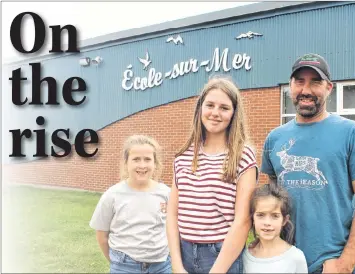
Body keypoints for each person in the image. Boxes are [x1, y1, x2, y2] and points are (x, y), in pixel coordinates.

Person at [261, 53, 355, 273]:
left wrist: (345, 263)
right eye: (299, 81)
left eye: (315, 82)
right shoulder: (274, 139)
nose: (306, 90)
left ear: (329, 87)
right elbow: (272, 197)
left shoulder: (351, 133)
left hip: (329, 265)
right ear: (290, 86)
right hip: (282, 260)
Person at [166, 76, 258, 274]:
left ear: (234, 113)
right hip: (184, 253)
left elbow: (242, 221)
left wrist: (217, 270)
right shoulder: (183, 156)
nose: (215, 113)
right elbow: (172, 214)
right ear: (200, 109)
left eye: (224, 108)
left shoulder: (242, 155)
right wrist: (176, 264)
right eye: (210, 105)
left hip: (222, 255)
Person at [90, 135, 172, 273]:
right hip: (124, 266)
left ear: (155, 163)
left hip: (161, 266)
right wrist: (117, 264)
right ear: (126, 163)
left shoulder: (166, 193)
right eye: (136, 159)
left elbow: (173, 230)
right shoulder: (113, 195)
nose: (142, 165)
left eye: (147, 159)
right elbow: (101, 235)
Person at [243, 183, 308, 273]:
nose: (267, 222)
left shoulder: (296, 257)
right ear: (253, 218)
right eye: (261, 215)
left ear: (284, 220)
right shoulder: (245, 256)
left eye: (275, 216)